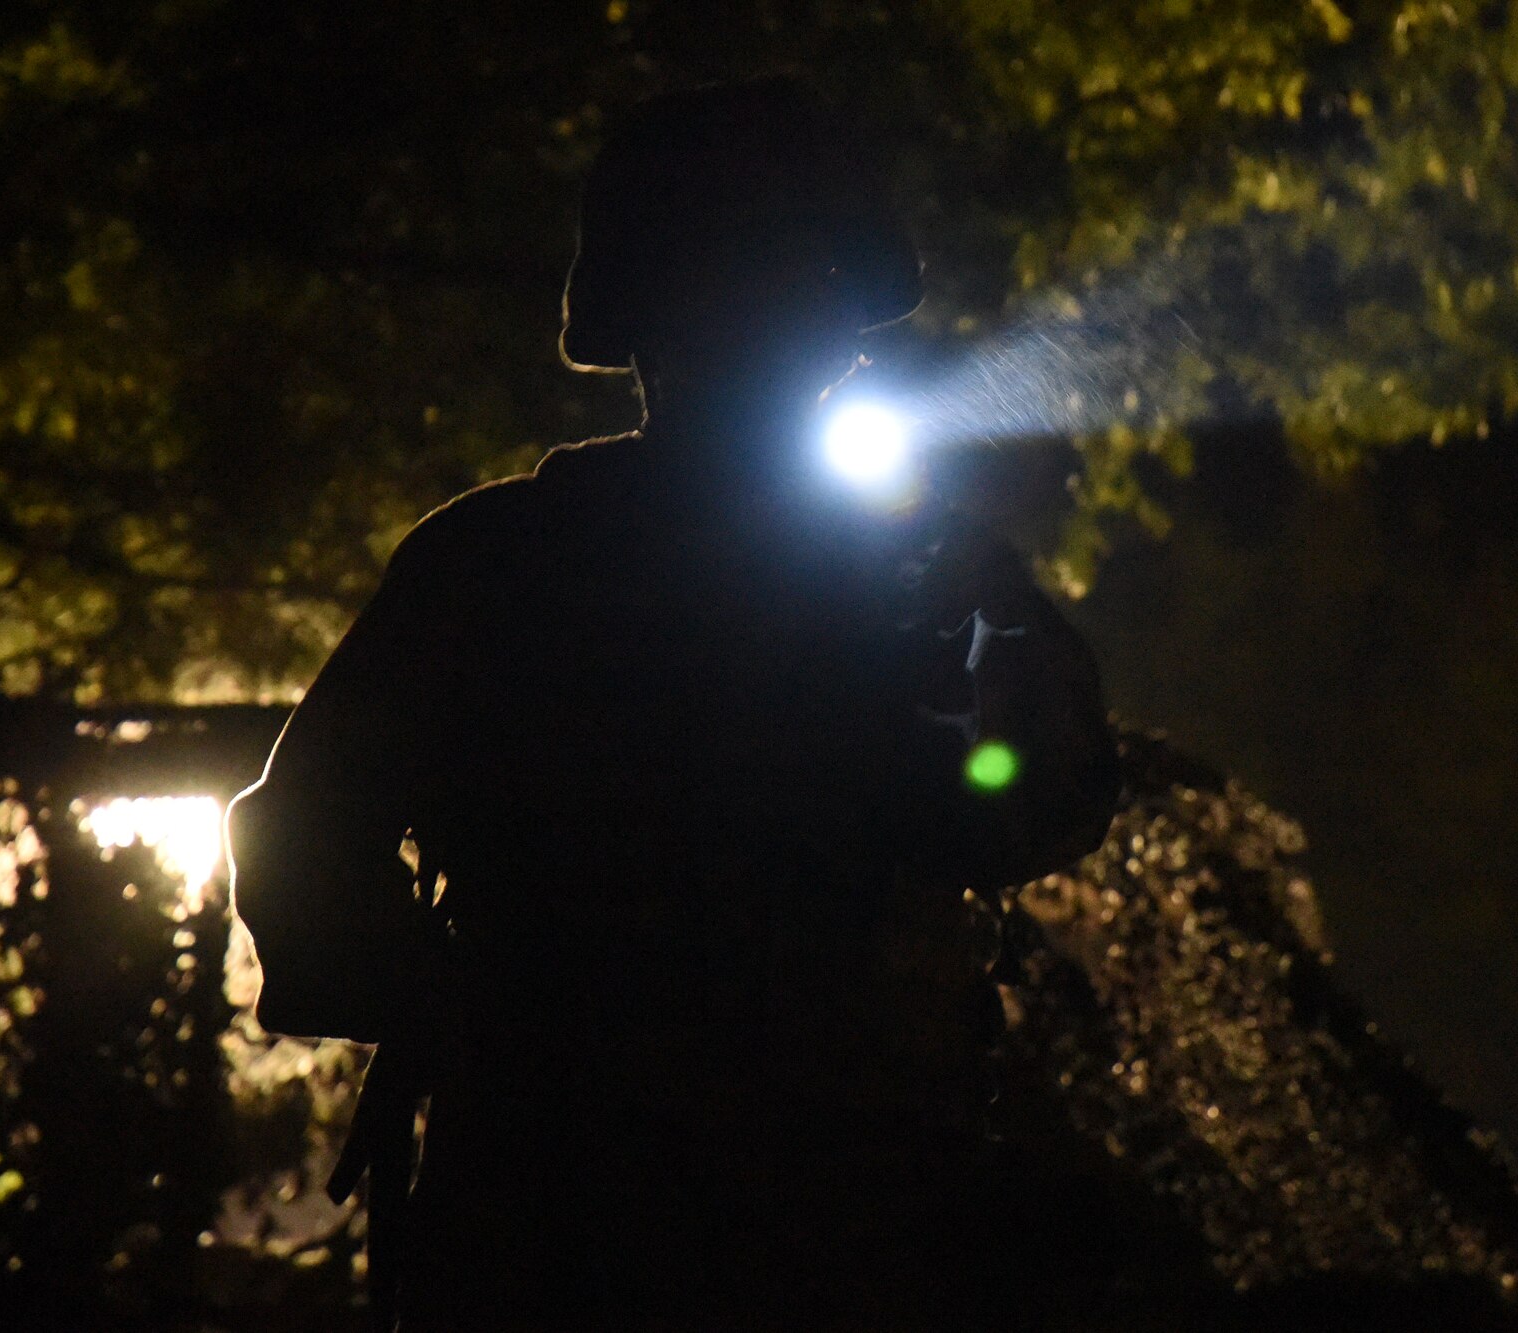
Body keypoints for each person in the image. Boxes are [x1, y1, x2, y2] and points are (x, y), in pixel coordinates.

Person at [227, 79, 1123, 1330]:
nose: (787, 342)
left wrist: (467, 1017)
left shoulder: (505, 562)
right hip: (717, 1204)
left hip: (676, 1203)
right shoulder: (886, 570)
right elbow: (1036, 800)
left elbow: (1031, 798)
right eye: (765, 305)